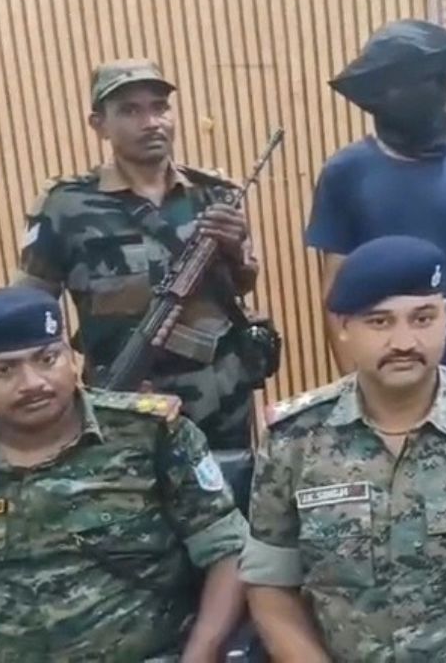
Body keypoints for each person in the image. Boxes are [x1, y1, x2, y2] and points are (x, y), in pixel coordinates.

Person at [241, 235, 446, 662]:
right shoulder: (294, 437)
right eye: (380, 322)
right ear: (343, 327)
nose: (404, 342)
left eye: (422, 318)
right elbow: (269, 583)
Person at [0, 286, 248, 660]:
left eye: (48, 359)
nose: (33, 383)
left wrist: (203, 651)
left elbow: (228, 550)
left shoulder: (150, 434)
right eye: (4, 370)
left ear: (71, 358)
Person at [15, 59, 262, 450]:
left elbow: (242, 284)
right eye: (130, 111)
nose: (151, 123)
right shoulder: (65, 205)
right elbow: (30, 307)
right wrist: (52, 380)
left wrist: (235, 249)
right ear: (99, 124)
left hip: (221, 396)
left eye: (159, 107)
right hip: (125, 393)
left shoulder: (213, 193)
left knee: (229, 483)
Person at [306, 19, 446, 385]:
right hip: (382, 369)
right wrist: (352, 385)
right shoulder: (344, 172)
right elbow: (334, 290)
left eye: (428, 78)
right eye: (401, 83)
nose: (419, 91)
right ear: (375, 95)